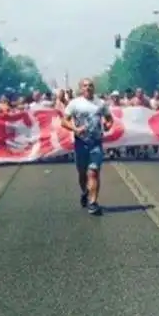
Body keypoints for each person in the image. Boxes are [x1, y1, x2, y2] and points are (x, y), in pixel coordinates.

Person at [61, 78, 113, 215]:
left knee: (93, 172)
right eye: (85, 86)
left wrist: (108, 125)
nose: (88, 88)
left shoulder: (101, 103)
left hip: (96, 143)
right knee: (82, 174)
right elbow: (64, 121)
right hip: (80, 143)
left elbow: (109, 118)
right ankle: (85, 192)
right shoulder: (74, 103)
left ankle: (93, 203)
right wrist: (75, 128)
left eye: (90, 86)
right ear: (81, 89)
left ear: (94, 88)